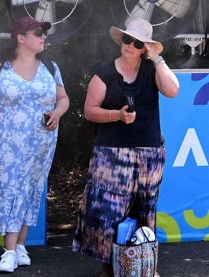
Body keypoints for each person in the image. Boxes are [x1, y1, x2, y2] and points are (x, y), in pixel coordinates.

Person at [71, 18, 179, 277]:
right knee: (109, 213)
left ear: (145, 48)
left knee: (145, 209)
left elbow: (173, 90)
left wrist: (157, 58)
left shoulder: (151, 70)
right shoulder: (106, 71)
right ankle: (109, 267)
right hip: (111, 152)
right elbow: (89, 111)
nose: (130, 44)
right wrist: (116, 115)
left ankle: (144, 266)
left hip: (149, 152)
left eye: (137, 42)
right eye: (127, 39)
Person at [0, 16, 70, 273]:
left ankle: (20, 245)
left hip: (40, 142)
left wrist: (57, 113)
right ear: (21, 38)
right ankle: (8, 251)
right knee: (11, 187)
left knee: (31, 188)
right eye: (37, 33)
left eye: (44, 33)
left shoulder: (51, 68)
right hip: (4, 143)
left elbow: (63, 98)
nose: (44, 37)